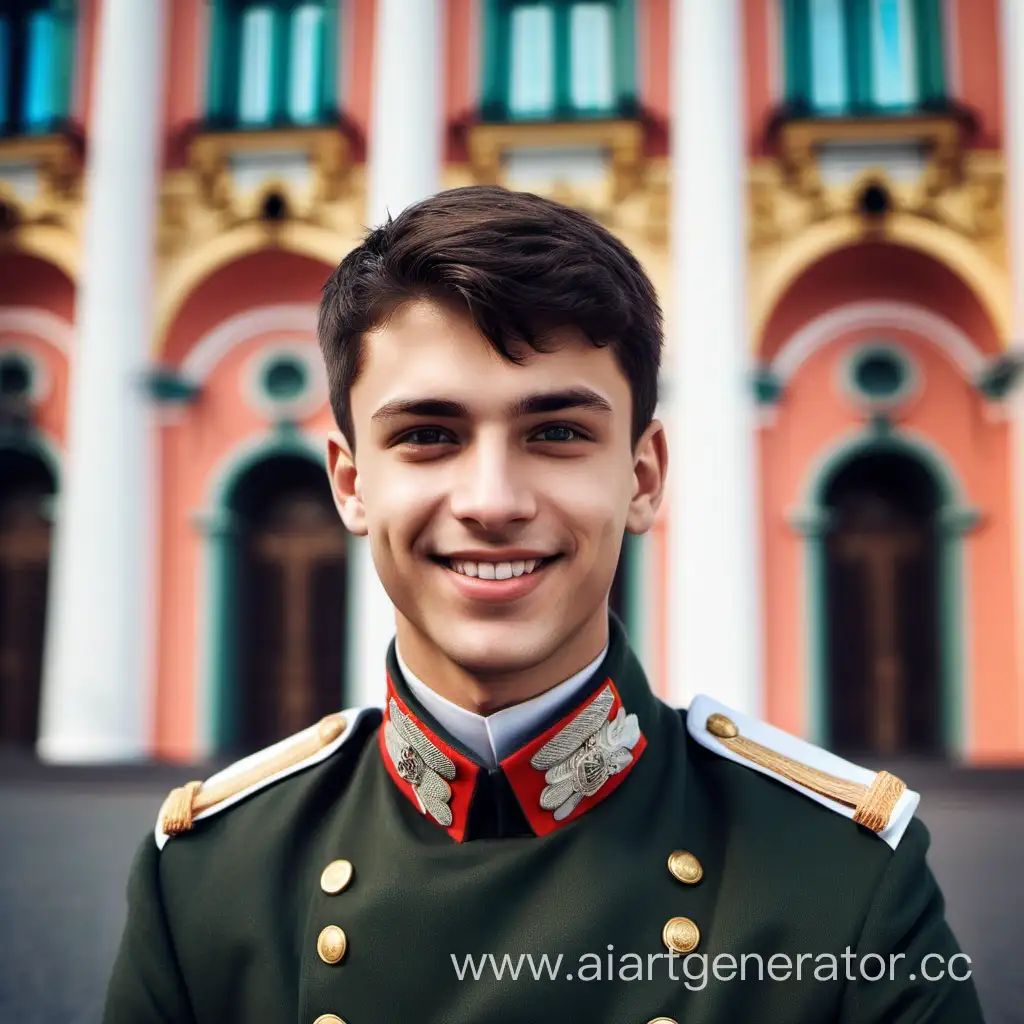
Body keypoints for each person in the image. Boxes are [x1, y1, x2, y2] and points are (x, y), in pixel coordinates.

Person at [103, 186, 984, 1024]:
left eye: (556, 432)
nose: (492, 501)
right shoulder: (211, 872)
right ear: (350, 481)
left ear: (642, 479)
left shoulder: (843, 874)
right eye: (428, 436)